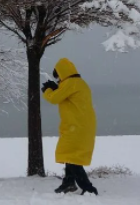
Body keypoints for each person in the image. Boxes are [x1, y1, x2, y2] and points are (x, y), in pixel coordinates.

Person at [42, 58, 98, 195]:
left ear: (62, 73)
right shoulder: (78, 83)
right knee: (70, 154)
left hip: (77, 127)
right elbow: (64, 95)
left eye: (57, 76)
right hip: (81, 125)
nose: (58, 79)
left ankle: (88, 188)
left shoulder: (70, 83)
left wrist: (48, 90)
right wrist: (57, 88)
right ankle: (68, 183)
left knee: (72, 157)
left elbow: (54, 98)